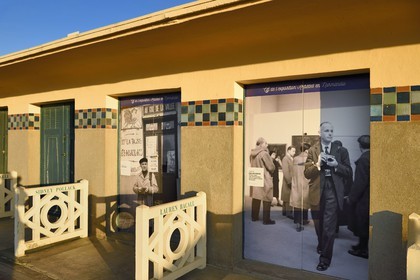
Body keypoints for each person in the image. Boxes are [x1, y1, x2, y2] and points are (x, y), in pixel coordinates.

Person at [304, 122, 352, 271]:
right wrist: (317, 164)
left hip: (332, 192)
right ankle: (321, 244)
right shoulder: (312, 150)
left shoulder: (341, 151)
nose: (330, 133)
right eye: (326, 131)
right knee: (319, 225)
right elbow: (306, 173)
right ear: (320, 132)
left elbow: (349, 172)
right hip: (316, 192)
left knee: (329, 227)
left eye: (332, 131)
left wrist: (336, 165)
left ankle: (325, 259)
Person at [347, 135, 370, 259]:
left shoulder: (364, 159)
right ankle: (361, 245)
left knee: (362, 223)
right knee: (364, 223)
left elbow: (360, 182)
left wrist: (352, 197)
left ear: (360, 146)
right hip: (368, 196)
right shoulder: (371, 156)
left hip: (364, 198)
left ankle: (363, 250)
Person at [250, 137, 276, 225]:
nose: (267, 145)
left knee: (256, 196)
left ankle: (254, 217)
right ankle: (266, 220)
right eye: (266, 143)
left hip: (255, 176)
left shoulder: (252, 153)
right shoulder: (264, 154)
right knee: (267, 198)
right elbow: (271, 167)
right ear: (261, 144)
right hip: (265, 177)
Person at [333, 140, 353, 232]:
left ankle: (335, 230)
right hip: (343, 191)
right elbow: (349, 178)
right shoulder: (346, 167)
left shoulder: (336, 165)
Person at [290, 142, 311, 232]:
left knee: (297, 204)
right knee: (304, 202)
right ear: (306, 150)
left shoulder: (295, 159)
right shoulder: (309, 159)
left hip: (296, 183)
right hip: (305, 184)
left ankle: (298, 223)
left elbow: (292, 172)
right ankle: (304, 220)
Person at [281, 145, 296, 219]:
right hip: (288, 181)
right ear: (288, 150)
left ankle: (284, 211)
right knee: (288, 197)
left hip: (289, 180)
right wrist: (289, 182)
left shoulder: (290, 158)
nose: (294, 152)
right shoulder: (285, 159)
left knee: (286, 196)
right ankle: (288, 213)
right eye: (293, 151)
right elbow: (286, 171)